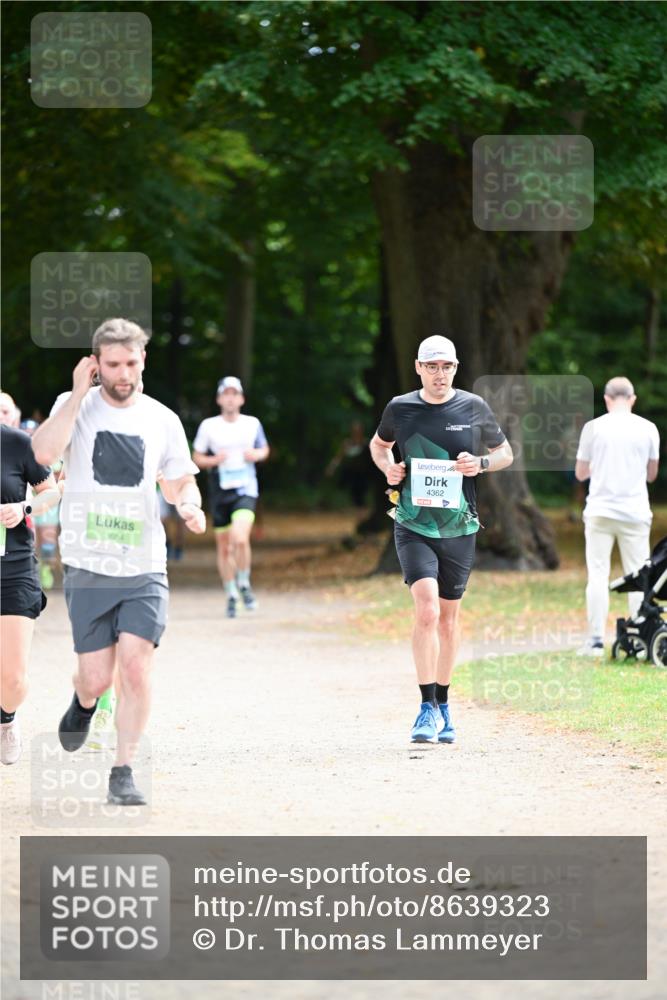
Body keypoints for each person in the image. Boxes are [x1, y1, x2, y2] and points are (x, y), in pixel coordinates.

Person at [32, 318, 205, 805]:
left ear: (143, 359)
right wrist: (74, 392)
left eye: (131, 362)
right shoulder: (76, 409)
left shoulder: (162, 418)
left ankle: (123, 769)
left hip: (144, 564)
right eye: (112, 364)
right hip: (88, 562)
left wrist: (189, 503)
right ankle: (85, 702)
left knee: (135, 667)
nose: (123, 373)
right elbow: (43, 452)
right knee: (97, 676)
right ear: (95, 364)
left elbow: (177, 479)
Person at [370, 335, 513, 744]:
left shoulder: (473, 406)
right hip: (413, 523)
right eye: (431, 366)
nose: (439, 374)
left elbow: (505, 453)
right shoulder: (401, 407)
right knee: (427, 611)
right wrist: (389, 469)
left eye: (446, 366)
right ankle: (425, 707)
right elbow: (380, 446)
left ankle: (445, 705)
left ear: (456, 367)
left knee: (449, 619)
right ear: (418, 367)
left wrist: (480, 463)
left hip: (459, 527)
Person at [574, 376, 660, 656]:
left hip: (599, 510)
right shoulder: (648, 428)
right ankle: (643, 637)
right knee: (638, 575)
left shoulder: (593, 428)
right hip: (635, 512)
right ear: (632, 399)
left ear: (607, 400)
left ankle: (596, 640)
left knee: (597, 574)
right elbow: (652, 475)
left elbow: (580, 473)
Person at [1, 424, 59, 764]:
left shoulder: (17, 443)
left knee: (13, 679)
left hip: (12, 568)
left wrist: (22, 508)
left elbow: (51, 493)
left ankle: (6, 716)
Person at [193, 376, 269, 619]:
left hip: (245, 488)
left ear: (241, 399)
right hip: (219, 490)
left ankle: (244, 582)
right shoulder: (208, 426)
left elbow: (264, 449)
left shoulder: (252, 423)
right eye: (225, 393)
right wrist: (214, 461)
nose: (230, 397)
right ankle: (232, 593)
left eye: (234, 393)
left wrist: (255, 454)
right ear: (218, 399)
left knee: (239, 538)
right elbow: (196, 457)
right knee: (224, 548)